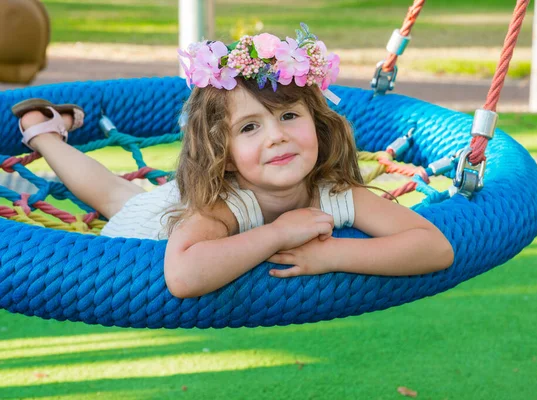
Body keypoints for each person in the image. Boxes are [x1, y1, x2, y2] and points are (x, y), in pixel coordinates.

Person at [11, 24, 454, 299]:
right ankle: (44, 134)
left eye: (288, 116)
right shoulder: (228, 204)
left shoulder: (334, 192)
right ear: (223, 156)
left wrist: (334, 254)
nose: (276, 135)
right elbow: (183, 276)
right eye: (249, 128)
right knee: (116, 200)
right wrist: (278, 233)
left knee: (116, 192)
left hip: (170, 205)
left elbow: (434, 248)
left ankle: (47, 128)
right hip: (146, 225)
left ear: (317, 125)